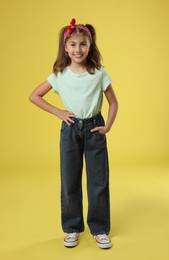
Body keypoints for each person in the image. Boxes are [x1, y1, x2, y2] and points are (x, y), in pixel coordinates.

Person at [29, 18, 118, 249]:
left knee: (98, 181)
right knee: (70, 180)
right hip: (69, 130)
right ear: (65, 47)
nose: (78, 49)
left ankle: (99, 229)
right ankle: (72, 227)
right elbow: (34, 96)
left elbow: (114, 103)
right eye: (73, 44)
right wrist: (58, 112)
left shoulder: (99, 73)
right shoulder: (59, 75)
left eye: (83, 44)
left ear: (90, 46)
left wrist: (107, 126)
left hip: (94, 128)